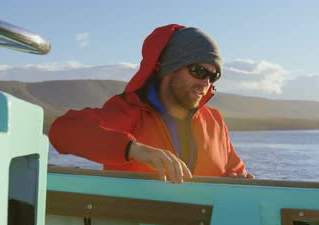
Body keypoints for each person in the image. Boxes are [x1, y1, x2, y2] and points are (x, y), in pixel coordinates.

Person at [49, 24, 254, 183]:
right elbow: (62, 131)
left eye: (213, 76)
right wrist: (137, 149)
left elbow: (234, 170)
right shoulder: (129, 112)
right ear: (169, 69)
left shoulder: (215, 121)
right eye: (198, 71)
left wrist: (237, 181)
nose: (205, 83)